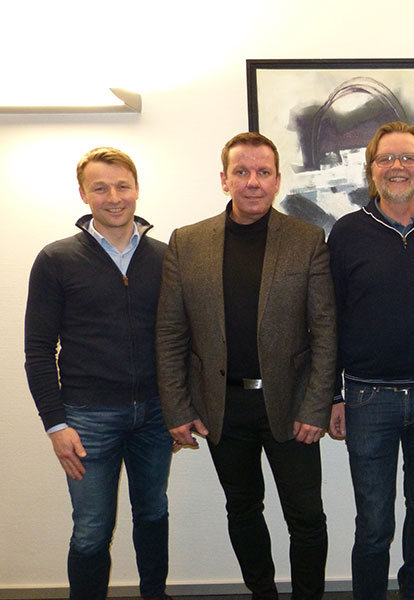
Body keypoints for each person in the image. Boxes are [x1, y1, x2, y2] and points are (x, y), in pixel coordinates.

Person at [156, 132, 337, 600]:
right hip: (221, 407)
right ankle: (262, 593)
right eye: (241, 171)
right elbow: (171, 333)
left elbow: (325, 331)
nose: (252, 181)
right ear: (224, 179)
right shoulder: (187, 242)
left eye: (262, 172)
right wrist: (177, 408)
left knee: (306, 517)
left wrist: (316, 406)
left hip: (290, 406)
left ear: (277, 180)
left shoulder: (307, 240)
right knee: (242, 509)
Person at [327, 121, 414, 600]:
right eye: (386, 158)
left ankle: (413, 590)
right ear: (371, 169)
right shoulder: (347, 233)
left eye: (408, 157)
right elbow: (330, 319)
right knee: (373, 523)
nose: (397, 166)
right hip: (368, 398)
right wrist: (333, 395)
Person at [24, 147, 173, 600]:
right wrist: (56, 425)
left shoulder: (166, 257)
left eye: (122, 186)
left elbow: (181, 339)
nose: (114, 197)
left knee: (153, 514)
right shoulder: (56, 259)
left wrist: (182, 407)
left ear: (137, 189)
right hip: (87, 419)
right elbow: (37, 350)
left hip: (155, 415)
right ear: (83, 194)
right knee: (91, 530)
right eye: (100, 188)